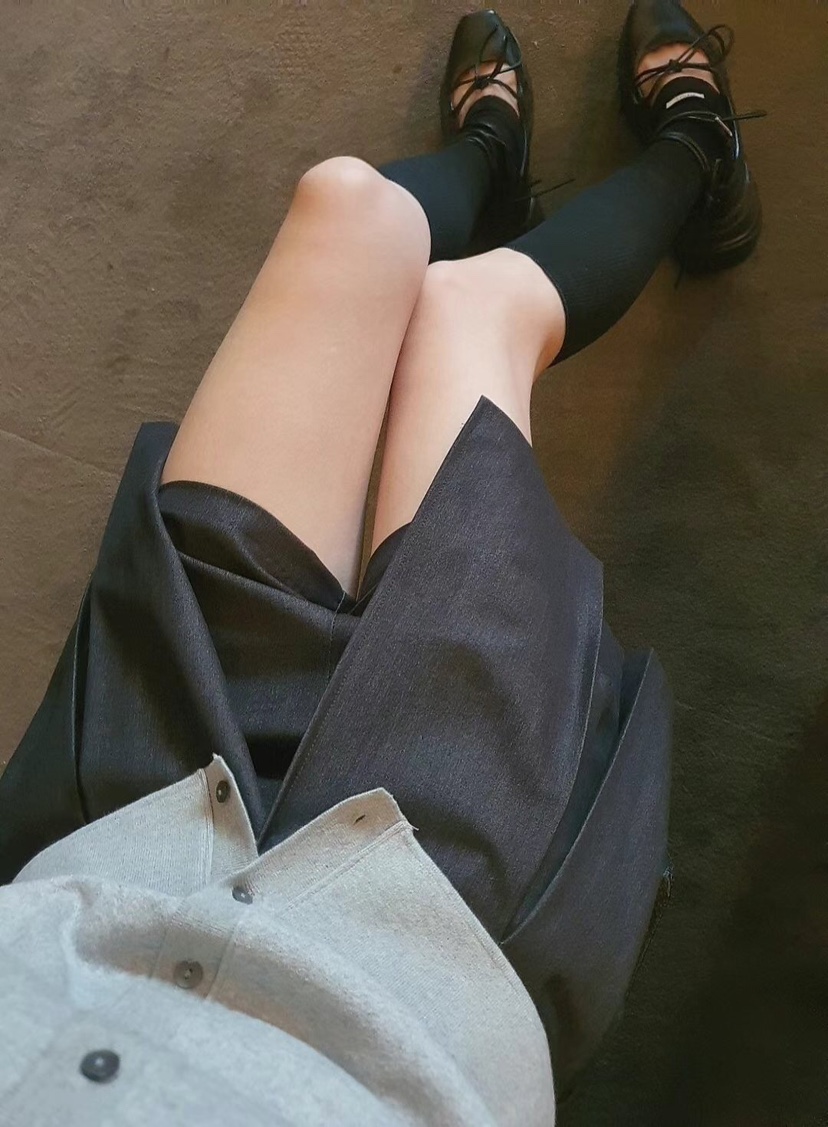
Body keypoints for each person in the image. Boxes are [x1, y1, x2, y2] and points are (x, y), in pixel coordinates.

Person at [0, 1, 764, 1122]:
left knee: (346, 206)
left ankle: (489, 158)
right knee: (473, 308)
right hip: (427, 942)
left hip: (119, 836)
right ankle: (700, 151)